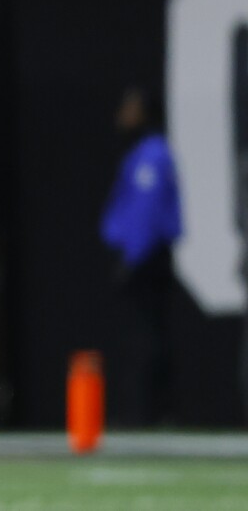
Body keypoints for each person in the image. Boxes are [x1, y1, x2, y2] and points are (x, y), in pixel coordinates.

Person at [99, 86, 180, 426]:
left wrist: (132, 259)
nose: (123, 115)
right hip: (140, 255)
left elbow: (146, 214)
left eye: (130, 108)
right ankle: (147, 410)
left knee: (147, 336)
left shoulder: (152, 155)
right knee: (141, 334)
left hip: (146, 257)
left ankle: (148, 412)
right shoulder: (140, 154)